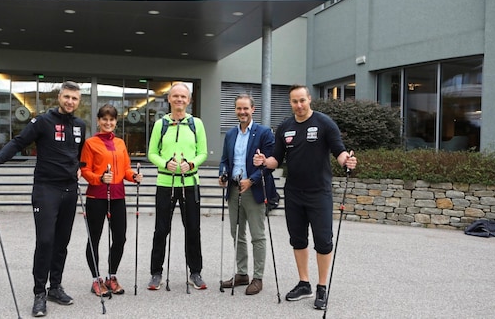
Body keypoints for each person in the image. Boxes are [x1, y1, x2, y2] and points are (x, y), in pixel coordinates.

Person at [0, 81, 86, 317]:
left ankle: (55, 287)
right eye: (66, 97)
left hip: (70, 190)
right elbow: (18, 142)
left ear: (79, 101)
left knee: (61, 243)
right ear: (59, 97)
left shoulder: (80, 125)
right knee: (46, 240)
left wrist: (81, 167)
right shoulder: (43, 122)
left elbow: (79, 153)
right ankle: (39, 293)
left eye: (74, 99)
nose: (70, 102)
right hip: (46, 189)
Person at [253, 84, 357, 310]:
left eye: (302, 100)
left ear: (309, 99)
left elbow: (339, 150)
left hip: (319, 193)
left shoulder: (324, 123)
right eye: (294, 101)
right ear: (290, 103)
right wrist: (263, 162)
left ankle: (321, 286)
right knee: (298, 240)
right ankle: (304, 283)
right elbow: (276, 160)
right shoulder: (284, 128)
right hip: (294, 193)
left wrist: (346, 161)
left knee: (323, 241)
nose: (299, 105)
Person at [146, 83, 208, 290]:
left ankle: (196, 272)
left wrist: (191, 164)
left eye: (183, 96)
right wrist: (165, 164)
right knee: (161, 230)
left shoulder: (196, 123)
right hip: (165, 182)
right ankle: (156, 273)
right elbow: (151, 153)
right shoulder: (160, 124)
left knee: (193, 229)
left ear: (188, 100)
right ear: (169, 99)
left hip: (190, 183)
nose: (179, 99)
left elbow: (203, 153)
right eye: (175, 96)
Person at [218, 94, 279, 295]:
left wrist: (251, 180)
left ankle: (258, 277)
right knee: (237, 234)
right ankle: (242, 273)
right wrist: (223, 174)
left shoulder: (264, 133)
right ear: (235, 110)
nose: (242, 112)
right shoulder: (230, 134)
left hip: (254, 189)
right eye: (239, 109)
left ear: (253, 109)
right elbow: (225, 160)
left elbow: (269, 164)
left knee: (257, 235)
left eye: (246, 108)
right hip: (234, 189)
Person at [80, 104, 143, 296]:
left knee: (120, 238)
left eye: (112, 119)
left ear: (116, 122)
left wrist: (134, 177)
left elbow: (125, 169)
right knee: (95, 238)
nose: (108, 123)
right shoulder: (90, 143)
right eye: (104, 119)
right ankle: (96, 279)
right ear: (98, 121)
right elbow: (84, 170)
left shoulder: (121, 143)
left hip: (117, 196)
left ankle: (111, 276)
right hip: (96, 196)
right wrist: (98, 178)